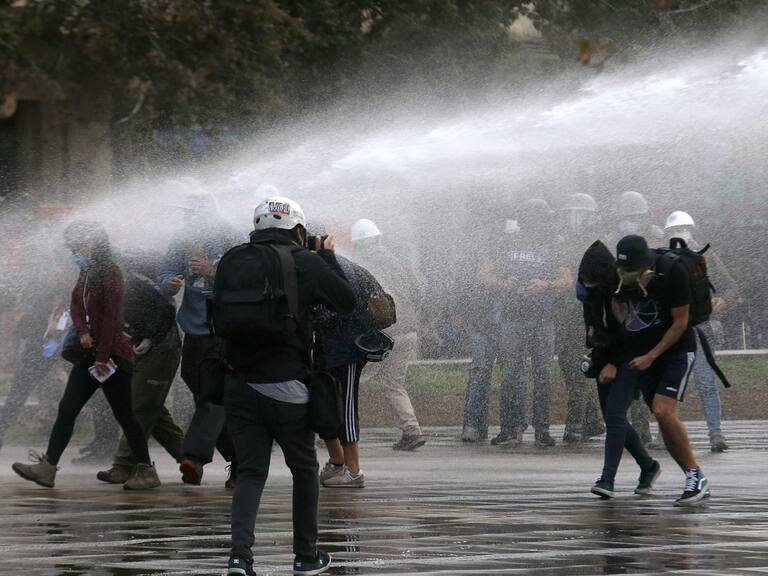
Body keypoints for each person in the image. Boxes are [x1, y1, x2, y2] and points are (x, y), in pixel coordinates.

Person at [222, 196, 355, 576]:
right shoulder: (306, 261)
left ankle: (239, 558)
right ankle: (306, 556)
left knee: (250, 473)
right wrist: (326, 256)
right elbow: (345, 301)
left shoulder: (233, 260)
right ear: (298, 230)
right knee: (303, 467)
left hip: (238, 383)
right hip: (287, 386)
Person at [11, 221, 160, 490]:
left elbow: (112, 320)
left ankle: (146, 470)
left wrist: (102, 356)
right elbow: (76, 306)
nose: (72, 252)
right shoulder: (85, 271)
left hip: (112, 356)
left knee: (124, 414)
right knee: (67, 409)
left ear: (91, 244)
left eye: (76, 246)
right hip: (89, 355)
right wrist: (81, 331)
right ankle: (48, 467)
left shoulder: (111, 273)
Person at [593, 235, 709, 506]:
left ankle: (695, 475)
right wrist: (612, 357)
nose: (629, 277)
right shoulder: (619, 278)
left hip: (675, 351)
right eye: (624, 271)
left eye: (633, 271)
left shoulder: (671, 271)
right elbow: (615, 323)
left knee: (662, 410)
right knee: (662, 418)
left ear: (646, 265)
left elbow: (681, 323)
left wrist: (651, 355)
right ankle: (693, 476)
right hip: (641, 356)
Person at [158, 182, 239, 487]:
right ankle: (238, 458)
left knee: (212, 396)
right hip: (193, 329)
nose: (189, 219)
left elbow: (249, 274)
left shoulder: (231, 235)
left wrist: (213, 271)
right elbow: (164, 271)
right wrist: (169, 284)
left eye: (194, 213)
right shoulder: (181, 240)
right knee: (199, 389)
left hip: (222, 330)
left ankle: (195, 457)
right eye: (187, 214)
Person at [577, 240, 661, 499]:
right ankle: (648, 467)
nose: (588, 283)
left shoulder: (623, 289)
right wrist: (596, 352)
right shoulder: (591, 292)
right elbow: (594, 325)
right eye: (584, 278)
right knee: (615, 419)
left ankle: (607, 479)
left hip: (630, 356)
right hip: (606, 357)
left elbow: (630, 333)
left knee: (614, 414)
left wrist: (614, 363)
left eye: (592, 278)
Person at [96, 258, 185, 484]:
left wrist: (150, 337)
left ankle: (123, 465)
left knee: (139, 406)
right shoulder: (101, 283)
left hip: (162, 348)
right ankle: (189, 457)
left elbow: (166, 309)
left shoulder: (132, 282)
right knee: (154, 412)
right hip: (137, 350)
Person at [662, 211, 738, 452]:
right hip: (671, 329)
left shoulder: (705, 256)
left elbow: (731, 286)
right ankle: (668, 434)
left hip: (699, 328)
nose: (681, 232)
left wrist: (723, 299)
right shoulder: (662, 258)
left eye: (685, 228)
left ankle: (715, 432)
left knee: (706, 382)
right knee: (668, 385)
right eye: (676, 229)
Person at [316, 246, 390, 488]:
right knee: (327, 403)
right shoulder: (347, 265)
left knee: (346, 405)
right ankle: (338, 462)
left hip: (346, 349)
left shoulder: (333, 268)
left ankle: (354, 470)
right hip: (332, 348)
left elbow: (334, 311)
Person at [492, 199, 563, 449]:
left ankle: (542, 429)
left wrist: (546, 286)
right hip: (512, 319)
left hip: (542, 319)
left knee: (542, 375)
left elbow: (566, 279)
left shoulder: (553, 245)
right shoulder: (507, 243)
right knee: (511, 375)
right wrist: (504, 283)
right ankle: (509, 428)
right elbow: (486, 274)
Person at [351, 219, 426, 451]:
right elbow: (417, 292)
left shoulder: (360, 265)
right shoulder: (397, 261)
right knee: (394, 384)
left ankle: (336, 429)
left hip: (382, 334)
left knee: (351, 380)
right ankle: (412, 430)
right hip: (407, 332)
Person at [613, 191, 663, 446]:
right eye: (626, 217)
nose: (628, 221)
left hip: (654, 312)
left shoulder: (656, 238)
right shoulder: (618, 240)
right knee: (635, 377)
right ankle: (642, 430)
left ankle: (664, 426)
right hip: (631, 315)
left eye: (633, 217)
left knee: (659, 375)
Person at [555, 193, 605, 444]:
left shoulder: (596, 245)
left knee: (580, 368)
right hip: (566, 314)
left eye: (579, 215)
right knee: (568, 364)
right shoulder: (564, 242)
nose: (573, 219)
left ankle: (575, 423)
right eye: (570, 214)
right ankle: (593, 419)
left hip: (586, 315)